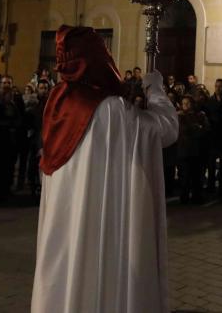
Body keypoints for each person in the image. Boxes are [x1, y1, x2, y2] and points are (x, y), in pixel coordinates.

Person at [31, 26, 178, 313]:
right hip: (105, 223)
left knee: (68, 272)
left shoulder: (57, 101)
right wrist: (155, 89)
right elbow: (165, 129)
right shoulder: (110, 110)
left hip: (68, 221)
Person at [177, 95, 209, 204]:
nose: (185, 105)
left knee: (197, 175)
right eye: (183, 103)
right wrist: (196, 127)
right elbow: (183, 130)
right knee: (184, 176)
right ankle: (184, 196)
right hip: (184, 150)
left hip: (197, 150)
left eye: (188, 103)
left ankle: (197, 196)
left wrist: (196, 128)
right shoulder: (179, 116)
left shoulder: (200, 115)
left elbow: (205, 130)